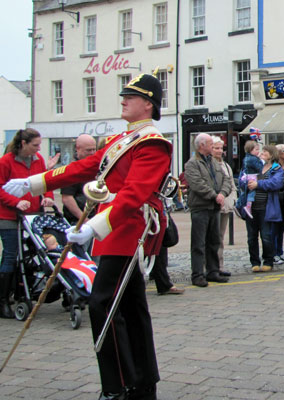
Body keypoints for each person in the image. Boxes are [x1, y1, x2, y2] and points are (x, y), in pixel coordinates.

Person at [4, 73, 170, 399]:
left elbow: (133, 196)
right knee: (131, 307)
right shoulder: (121, 140)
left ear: (147, 104)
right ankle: (141, 381)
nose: (122, 100)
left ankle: (117, 386)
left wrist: (91, 227)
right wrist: (35, 183)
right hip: (114, 230)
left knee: (102, 304)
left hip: (129, 231)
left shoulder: (152, 143)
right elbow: (81, 168)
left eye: (130, 96)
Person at [0, 128, 55, 319]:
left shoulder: (38, 160)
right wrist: (15, 202)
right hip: (8, 216)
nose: (38, 149)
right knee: (10, 254)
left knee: (32, 253)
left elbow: (44, 181)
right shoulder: (6, 161)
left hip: (32, 215)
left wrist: (47, 197)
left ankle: (23, 291)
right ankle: (3, 300)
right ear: (23, 144)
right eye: (35, 145)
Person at [185, 133, 232, 287]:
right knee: (199, 243)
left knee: (214, 241)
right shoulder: (192, 164)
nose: (213, 147)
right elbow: (197, 184)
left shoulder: (213, 162)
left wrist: (222, 194)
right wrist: (214, 196)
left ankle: (213, 271)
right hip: (200, 207)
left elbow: (226, 180)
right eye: (211, 144)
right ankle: (197, 274)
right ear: (201, 146)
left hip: (214, 207)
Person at [242, 145, 284, 272]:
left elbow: (276, 183)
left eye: (265, 151)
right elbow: (242, 177)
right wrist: (245, 182)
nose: (262, 153)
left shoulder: (277, 169)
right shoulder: (256, 166)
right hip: (251, 206)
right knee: (251, 237)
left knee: (266, 236)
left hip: (266, 206)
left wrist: (258, 184)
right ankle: (254, 262)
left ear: (272, 154)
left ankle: (268, 260)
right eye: (262, 151)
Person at [60, 134, 97, 225]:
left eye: (94, 149)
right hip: (77, 221)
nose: (92, 153)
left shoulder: (97, 168)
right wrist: (84, 220)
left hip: (95, 218)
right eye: (88, 150)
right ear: (78, 148)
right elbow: (67, 198)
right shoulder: (70, 170)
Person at [211, 137, 234, 276]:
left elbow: (230, 183)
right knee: (211, 237)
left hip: (225, 205)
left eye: (221, 148)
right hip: (212, 205)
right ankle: (210, 266)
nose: (220, 151)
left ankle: (219, 265)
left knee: (220, 237)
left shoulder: (225, 165)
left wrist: (232, 199)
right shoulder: (208, 164)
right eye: (216, 148)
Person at [272, 143, 284, 265]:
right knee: (275, 228)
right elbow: (276, 182)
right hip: (277, 200)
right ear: (278, 154)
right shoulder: (275, 167)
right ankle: (274, 253)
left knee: (282, 228)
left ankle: (280, 252)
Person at [240, 140, 263, 219]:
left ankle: (240, 204)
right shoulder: (254, 159)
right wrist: (260, 160)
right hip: (253, 176)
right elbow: (260, 168)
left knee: (246, 191)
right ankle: (248, 206)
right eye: (256, 150)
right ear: (250, 150)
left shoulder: (246, 158)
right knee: (251, 191)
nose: (258, 151)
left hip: (247, 176)